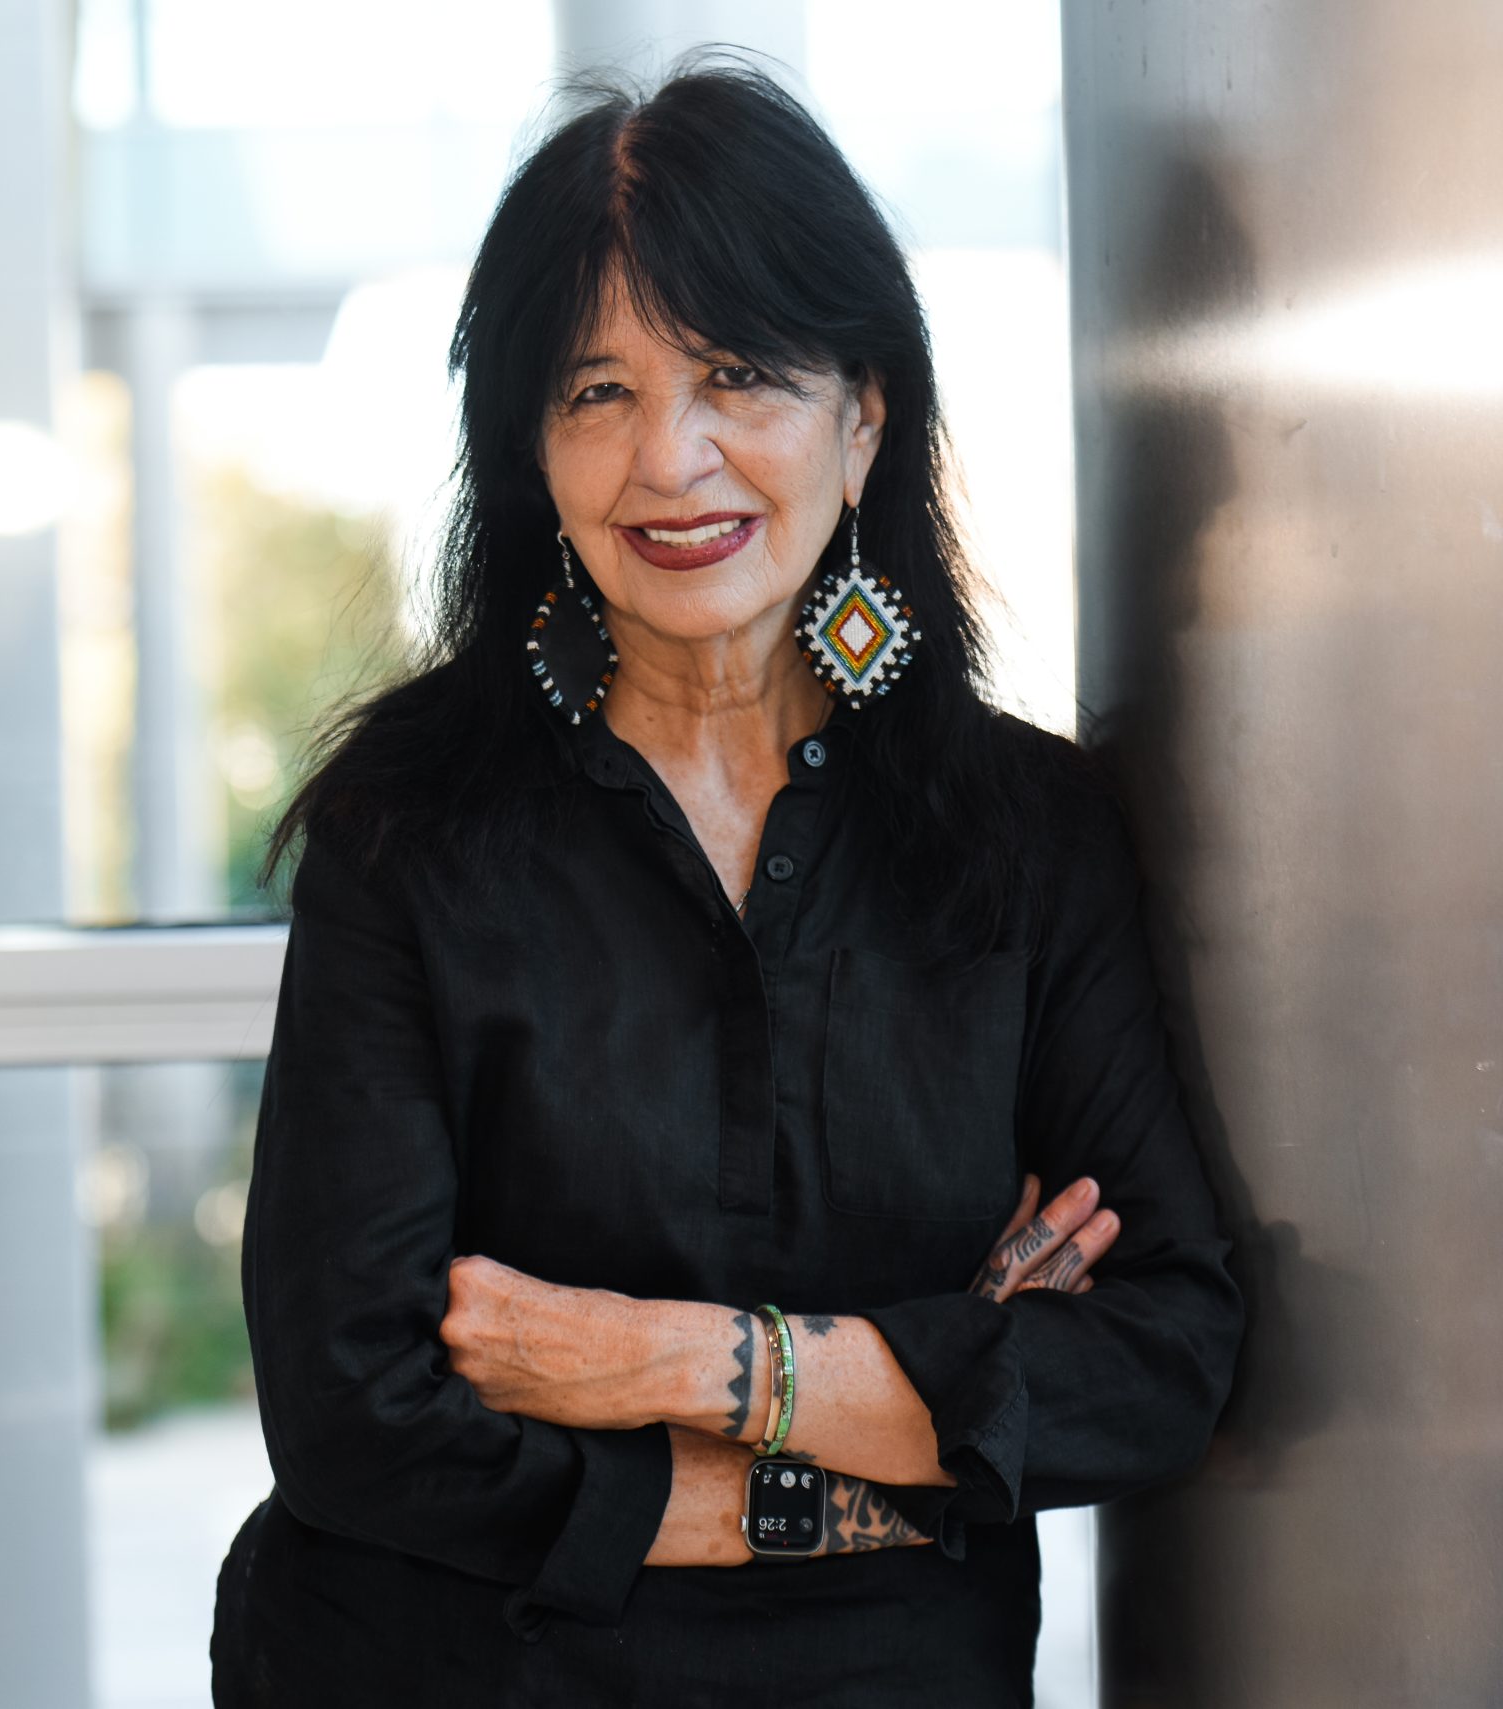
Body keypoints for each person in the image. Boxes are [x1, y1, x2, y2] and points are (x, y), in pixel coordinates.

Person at [207, 61, 1244, 1707]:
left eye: (737, 374)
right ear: (529, 446)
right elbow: (355, 1409)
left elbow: (1161, 1356)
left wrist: (674, 1360)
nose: (669, 458)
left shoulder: (1027, 832)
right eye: (595, 390)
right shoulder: (411, 825)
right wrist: (908, 1427)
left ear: (865, 413)